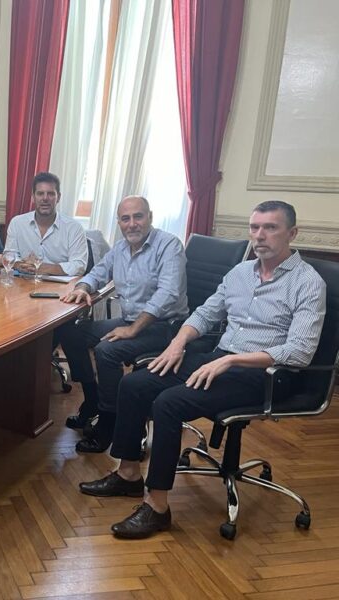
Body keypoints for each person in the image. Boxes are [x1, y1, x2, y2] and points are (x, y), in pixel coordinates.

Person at [79, 201, 326, 540]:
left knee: (169, 402)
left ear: (292, 233)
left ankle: (157, 507)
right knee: (135, 384)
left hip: (269, 375)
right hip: (220, 357)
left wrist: (230, 360)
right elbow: (204, 314)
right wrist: (178, 343)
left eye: (270, 228)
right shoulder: (240, 273)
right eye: (254, 228)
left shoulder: (307, 283)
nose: (259, 236)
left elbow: (299, 351)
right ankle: (128, 474)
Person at [58, 196, 188, 453]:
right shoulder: (120, 248)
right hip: (131, 320)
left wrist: (133, 329)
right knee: (71, 332)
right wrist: (83, 287)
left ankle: (109, 421)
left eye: (138, 217)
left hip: (166, 328)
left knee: (107, 350)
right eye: (125, 219)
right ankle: (93, 401)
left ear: (150, 217)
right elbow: (98, 273)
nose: (132, 224)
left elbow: (168, 294)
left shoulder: (169, 245)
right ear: (118, 222)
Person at [4, 172, 88, 278]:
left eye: (51, 194)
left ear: (58, 197)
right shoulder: (17, 223)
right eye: (40, 193)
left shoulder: (74, 228)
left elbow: (79, 265)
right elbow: (9, 256)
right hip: (24, 283)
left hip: (60, 289)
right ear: (33, 197)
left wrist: (41, 267)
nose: (45, 198)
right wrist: (20, 265)